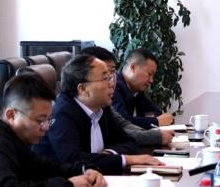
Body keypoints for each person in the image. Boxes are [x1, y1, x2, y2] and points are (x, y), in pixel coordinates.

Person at [0, 73, 107, 187]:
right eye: (40, 120)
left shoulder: (16, 140)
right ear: (12, 115)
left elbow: (46, 168)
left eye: (48, 120)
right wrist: (68, 186)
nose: (46, 127)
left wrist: (84, 169)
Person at [36, 55, 164, 174]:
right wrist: (126, 159)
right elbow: (74, 160)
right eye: (106, 78)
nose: (112, 84)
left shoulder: (101, 107)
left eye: (111, 77)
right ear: (83, 89)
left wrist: (109, 154)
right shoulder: (62, 113)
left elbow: (130, 143)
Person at [78, 46, 171, 148]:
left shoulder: (104, 106)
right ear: (83, 87)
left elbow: (123, 126)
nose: (112, 82)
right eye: (105, 76)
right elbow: (119, 135)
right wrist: (156, 128)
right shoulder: (69, 111)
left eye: (112, 72)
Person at [113, 48, 173, 129]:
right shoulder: (113, 87)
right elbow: (123, 123)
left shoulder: (137, 91)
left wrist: (159, 119)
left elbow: (157, 113)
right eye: (149, 74)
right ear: (133, 67)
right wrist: (156, 121)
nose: (151, 80)